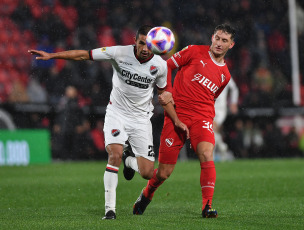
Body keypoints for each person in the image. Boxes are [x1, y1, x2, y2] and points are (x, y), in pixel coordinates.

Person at [28, 25, 189, 220]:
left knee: (147, 173)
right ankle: (109, 210)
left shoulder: (161, 66)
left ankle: (129, 161)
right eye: (141, 43)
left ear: (155, 45)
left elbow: (164, 97)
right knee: (114, 155)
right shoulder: (119, 52)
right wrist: (53, 56)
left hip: (140, 120)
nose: (145, 49)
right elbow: (84, 55)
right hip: (117, 114)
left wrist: (177, 121)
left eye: (148, 45)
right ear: (135, 41)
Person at [132, 23, 236, 218]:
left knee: (206, 153)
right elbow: (167, 66)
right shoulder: (194, 51)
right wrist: (168, 92)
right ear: (211, 37)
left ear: (231, 45)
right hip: (176, 114)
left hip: (202, 117)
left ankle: (207, 206)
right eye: (217, 38)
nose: (219, 43)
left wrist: (206, 116)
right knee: (163, 173)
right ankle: (147, 193)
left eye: (224, 41)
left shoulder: (225, 75)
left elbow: (211, 97)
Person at [213, 77, 239, 160]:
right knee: (210, 130)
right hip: (209, 107)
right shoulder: (208, 73)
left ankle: (212, 155)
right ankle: (222, 146)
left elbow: (234, 89)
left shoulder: (225, 75)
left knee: (212, 129)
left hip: (220, 109)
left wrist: (233, 103)